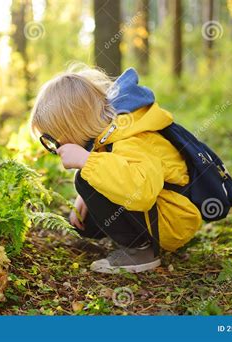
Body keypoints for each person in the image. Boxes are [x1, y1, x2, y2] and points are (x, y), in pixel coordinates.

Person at [29, 65, 201, 274]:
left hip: (173, 219)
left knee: (84, 177)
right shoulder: (110, 131)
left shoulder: (131, 136)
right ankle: (133, 239)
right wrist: (86, 195)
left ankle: (139, 252)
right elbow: (113, 165)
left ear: (75, 124)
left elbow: (142, 190)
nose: (56, 145)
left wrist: (87, 163)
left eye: (55, 138)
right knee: (85, 215)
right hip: (160, 212)